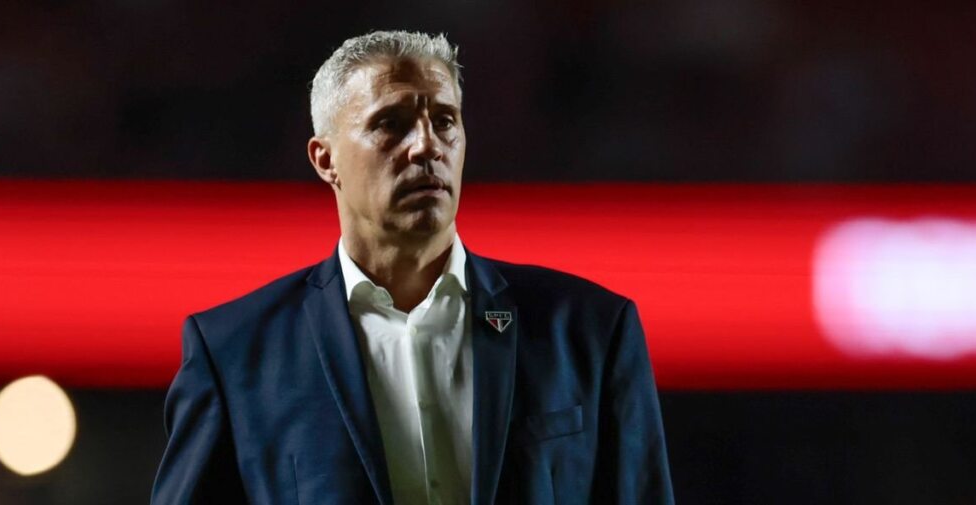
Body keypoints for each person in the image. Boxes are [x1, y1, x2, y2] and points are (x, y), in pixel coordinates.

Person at [151, 30, 673, 505]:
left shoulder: (591, 329)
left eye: (445, 121)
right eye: (390, 123)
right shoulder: (233, 353)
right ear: (325, 159)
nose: (427, 145)